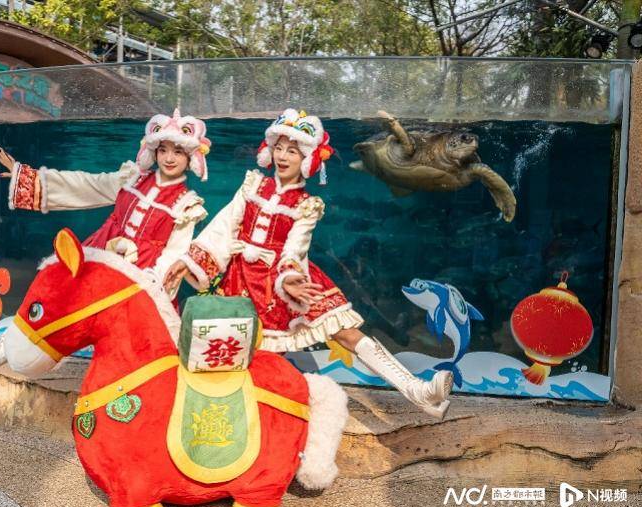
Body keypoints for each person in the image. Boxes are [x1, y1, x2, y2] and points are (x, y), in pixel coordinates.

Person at [164, 108, 453, 418]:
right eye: (279, 148)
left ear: (307, 158)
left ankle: (418, 391)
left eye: (292, 150)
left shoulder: (306, 205)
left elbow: (295, 247)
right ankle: (224, 412)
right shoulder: (252, 186)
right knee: (249, 354)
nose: (282, 156)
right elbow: (224, 226)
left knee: (346, 331)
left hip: (286, 279)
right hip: (242, 282)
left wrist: (289, 278)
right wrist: (190, 258)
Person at [0, 109, 211, 397]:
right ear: (154, 151)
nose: (169, 157)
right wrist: (28, 177)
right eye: (163, 150)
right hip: (96, 264)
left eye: (178, 151)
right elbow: (86, 186)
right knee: (40, 313)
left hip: (138, 287)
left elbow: (174, 254)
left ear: (190, 157)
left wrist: (141, 287)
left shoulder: (187, 205)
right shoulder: (132, 179)